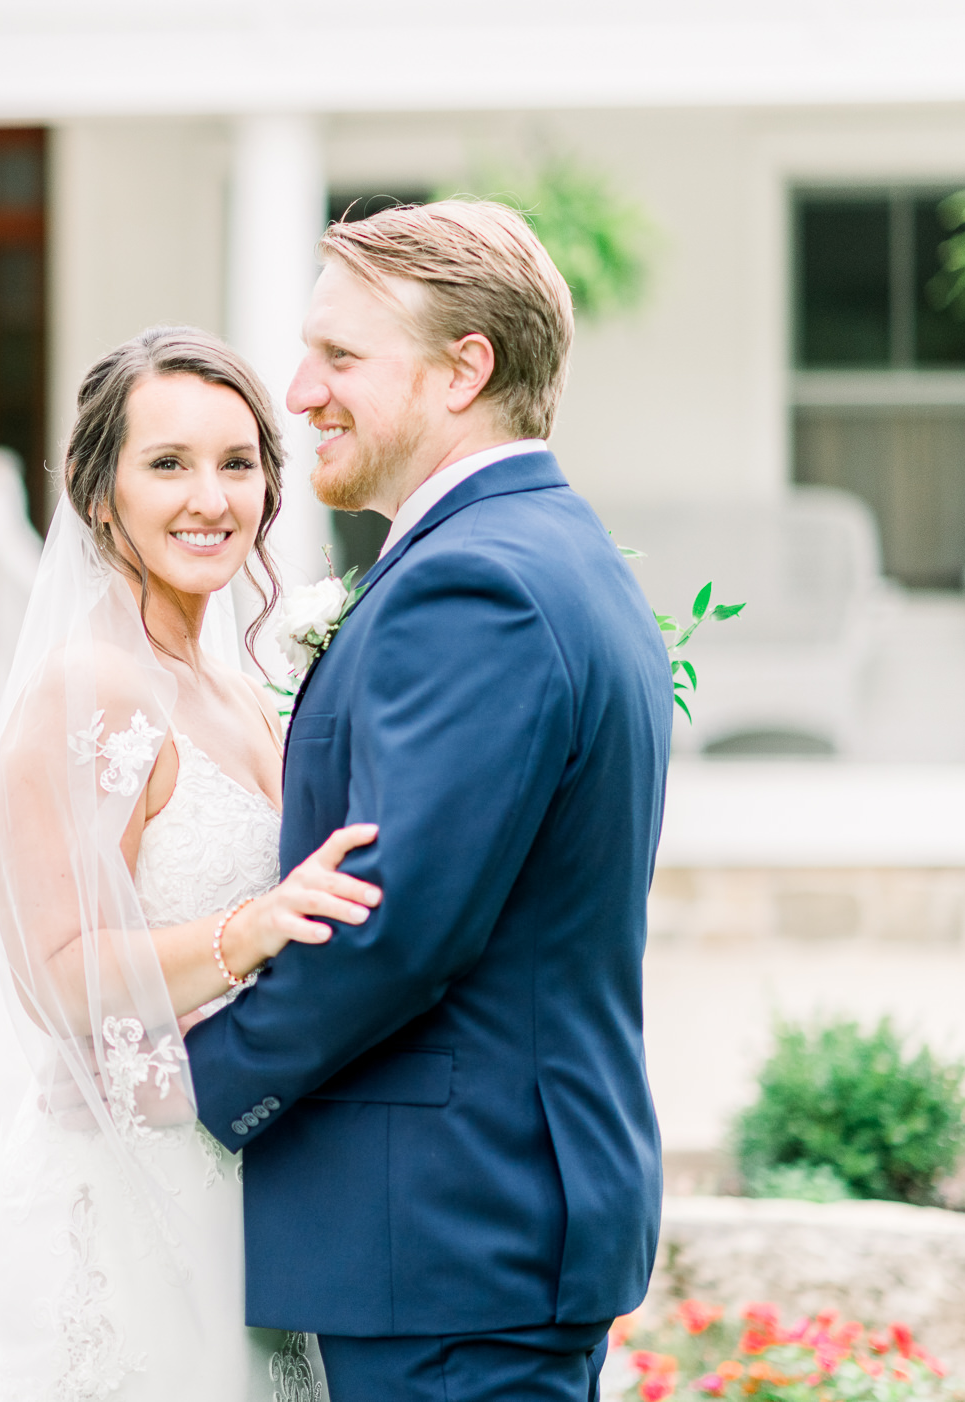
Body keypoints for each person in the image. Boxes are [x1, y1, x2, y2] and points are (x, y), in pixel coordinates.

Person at [185, 199, 672, 1402]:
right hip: (474, 1230)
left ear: (466, 370)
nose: (299, 392)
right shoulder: (546, 550)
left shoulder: (475, 585)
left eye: (342, 355)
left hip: (452, 1234)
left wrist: (196, 1079)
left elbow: (394, 923)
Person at [0, 326, 378, 1402]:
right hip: (123, 1196)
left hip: (244, 1181)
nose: (210, 497)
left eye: (238, 463)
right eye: (169, 463)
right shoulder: (86, 689)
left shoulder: (238, 686)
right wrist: (254, 929)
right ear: (102, 496)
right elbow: (56, 978)